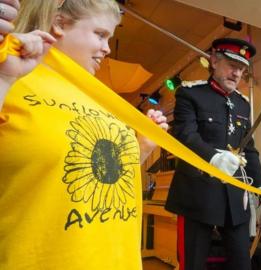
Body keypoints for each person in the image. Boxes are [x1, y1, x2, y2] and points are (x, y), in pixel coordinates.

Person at [0, 0, 168, 269]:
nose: (107, 48)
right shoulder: (11, 77)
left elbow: (96, 180)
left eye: (109, 38)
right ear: (59, 24)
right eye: (100, 34)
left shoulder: (102, 99)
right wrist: (3, 80)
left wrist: (141, 148)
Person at [165, 37, 261, 270]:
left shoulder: (243, 104)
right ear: (214, 61)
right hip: (198, 195)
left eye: (242, 69)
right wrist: (212, 157)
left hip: (234, 198)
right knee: (192, 263)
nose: (237, 74)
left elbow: (249, 149)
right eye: (232, 66)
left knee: (242, 264)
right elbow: (185, 134)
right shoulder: (190, 94)